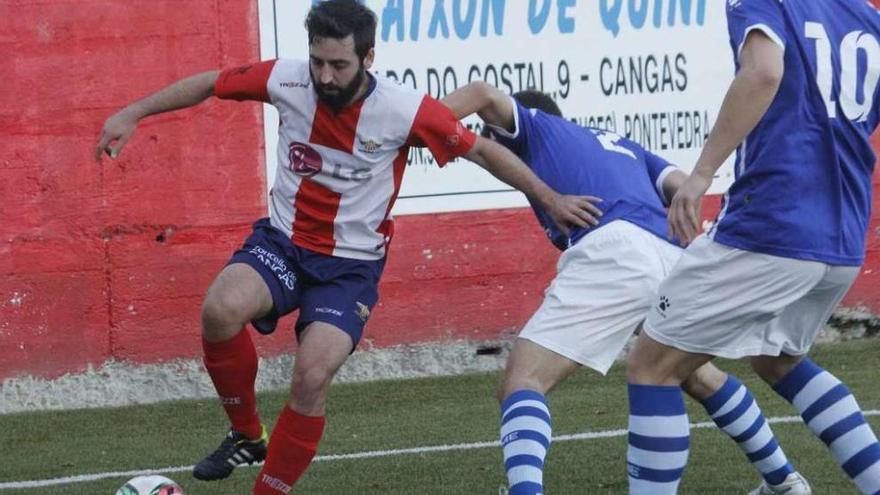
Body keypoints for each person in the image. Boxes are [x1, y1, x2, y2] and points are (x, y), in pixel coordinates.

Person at [94, 1, 602, 493]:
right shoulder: (287, 79)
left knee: (312, 375)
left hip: (350, 268)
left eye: (339, 64)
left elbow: (483, 150)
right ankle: (247, 434)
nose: (326, 76)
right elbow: (211, 82)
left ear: (368, 59)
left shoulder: (403, 111)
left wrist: (549, 196)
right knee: (220, 309)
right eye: (318, 62)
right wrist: (133, 112)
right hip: (284, 240)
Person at [441, 82, 810, 495]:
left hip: (616, 250)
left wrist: (414, 125)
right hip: (670, 256)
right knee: (695, 375)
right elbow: (681, 186)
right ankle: (784, 480)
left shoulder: (534, 128)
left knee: (522, 380)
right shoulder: (624, 145)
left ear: (503, 133)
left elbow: (482, 94)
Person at [625, 1, 880, 494]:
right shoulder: (866, 18)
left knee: (651, 365)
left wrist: (700, 174)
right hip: (843, 235)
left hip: (773, 225)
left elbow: (763, 72)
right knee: (777, 359)